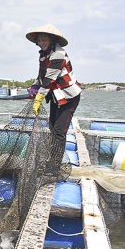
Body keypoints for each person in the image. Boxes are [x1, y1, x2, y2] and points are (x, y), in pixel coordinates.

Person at [26, 23, 82, 167]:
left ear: (51, 40)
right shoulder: (44, 55)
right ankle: (52, 159)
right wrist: (34, 86)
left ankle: (54, 166)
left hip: (68, 97)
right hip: (56, 96)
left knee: (59, 132)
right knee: (52, 127)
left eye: (45, 40)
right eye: (40, 40)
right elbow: (41, 76)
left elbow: (49, 79)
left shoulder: (58, 54)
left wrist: (38, 98)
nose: (42, 42)